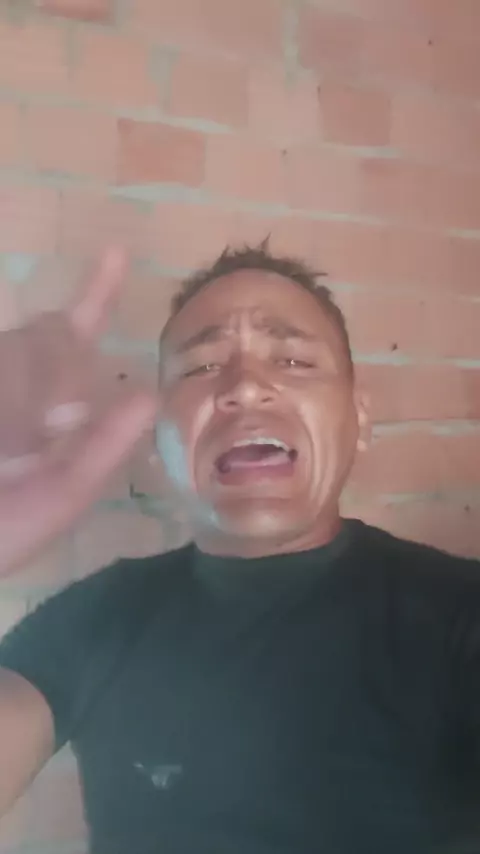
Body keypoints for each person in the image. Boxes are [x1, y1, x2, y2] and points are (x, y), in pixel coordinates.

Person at [0, 241, 479, 854]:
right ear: (159, 438)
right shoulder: (97, 616)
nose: (246, 388)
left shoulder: (459, 612)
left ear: (359, 420)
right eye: (201, 367)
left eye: (294, 360)